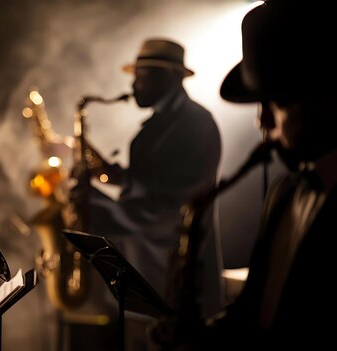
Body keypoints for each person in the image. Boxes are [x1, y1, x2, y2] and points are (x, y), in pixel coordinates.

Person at [186, 0, 337, 349]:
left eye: (277, 104)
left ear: (326, 98)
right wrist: (203, 334)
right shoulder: (284, 192)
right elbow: (253, 312)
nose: (261, 122)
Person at [78, 38, 224, 350]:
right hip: (144, 280)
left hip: (177, 288)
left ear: (170, 77)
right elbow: (152, 182)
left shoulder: (196, 124)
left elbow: (169, 205)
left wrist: (92, 206)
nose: (134, 85)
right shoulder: (161, 125)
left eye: (142, 76)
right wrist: (110, 173)